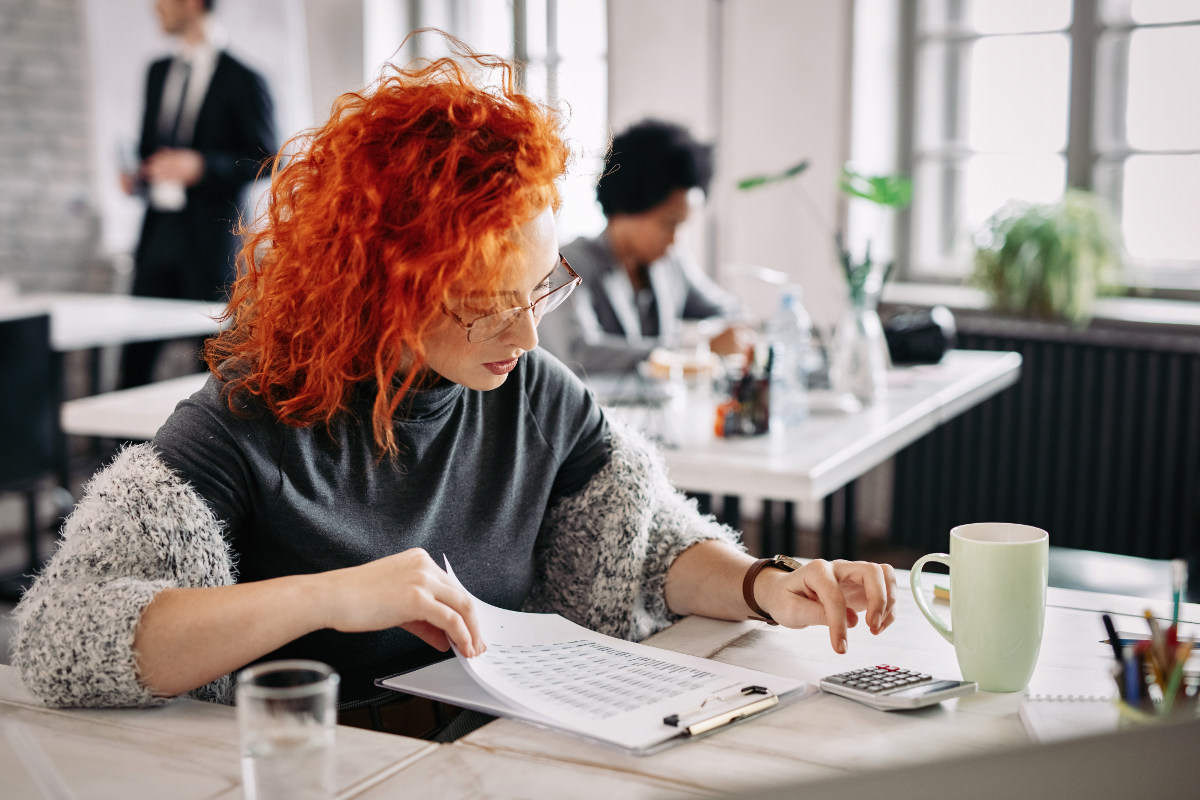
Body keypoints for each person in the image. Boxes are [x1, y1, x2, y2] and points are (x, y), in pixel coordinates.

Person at [13, 42, 896, 734]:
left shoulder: (537, 395)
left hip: (501, 753)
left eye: (540, 290)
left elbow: (652, 550)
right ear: (379, 284)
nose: (526, 335)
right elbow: (64, 638)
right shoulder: (246, 422)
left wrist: (763, 585)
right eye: (483, 308)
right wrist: (331, 595)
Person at [119, 0, 276, 388]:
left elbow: (269, 159)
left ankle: (200, 447)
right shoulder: (157, 72)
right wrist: (138, 177)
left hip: (210, 243)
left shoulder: (244, 78)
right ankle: (123, 451)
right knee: (133, 362)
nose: (154, 7)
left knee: (212, 366)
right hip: (157, 234)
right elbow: (151, 152)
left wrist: (203, 167)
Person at [538, 119, 753, 378]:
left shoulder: (671, 263)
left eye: (683, 225)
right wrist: (694, 348)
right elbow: (578, 353)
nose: (676, 239)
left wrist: (722, 334)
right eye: (669, 223)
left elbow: (730, 311)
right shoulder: (569, 264)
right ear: (626, 207)